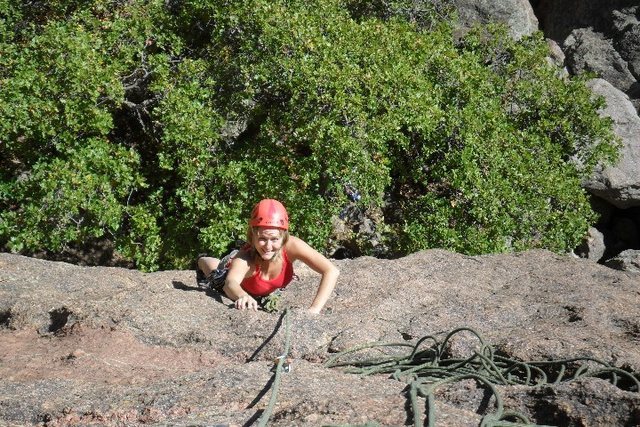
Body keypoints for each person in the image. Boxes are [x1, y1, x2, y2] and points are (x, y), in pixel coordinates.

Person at [196, 199, 339, 314]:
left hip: (261, 287)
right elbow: (230, 283)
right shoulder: (245, 257)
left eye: (274, 239)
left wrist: (314, 310)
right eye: (262, 239)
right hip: (232, 277)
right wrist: (242, 296)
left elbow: (331, 271)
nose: (268, 247)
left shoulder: (292, 246)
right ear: (252, 236)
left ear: (283, 237)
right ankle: (201, 260)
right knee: (217, 274)